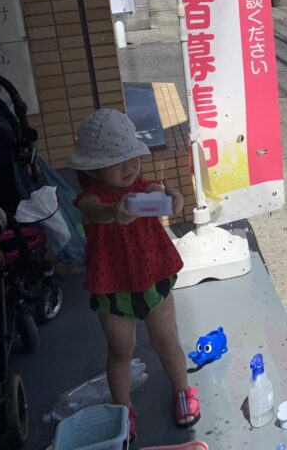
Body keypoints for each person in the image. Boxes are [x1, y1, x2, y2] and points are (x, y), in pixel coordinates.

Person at [68, 109, 199, 439]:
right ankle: (123, 409)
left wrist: (174, 198)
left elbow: (166, 200)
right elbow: (97, 213)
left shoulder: (145, 188)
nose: (129, 167)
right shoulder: (90, 199)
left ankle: (182, 391)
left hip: (154, 279)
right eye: (117, 161)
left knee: (166, 340)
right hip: (112, 288)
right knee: (120, 351)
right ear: (93, 168)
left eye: (133, 158)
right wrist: (115, 210)